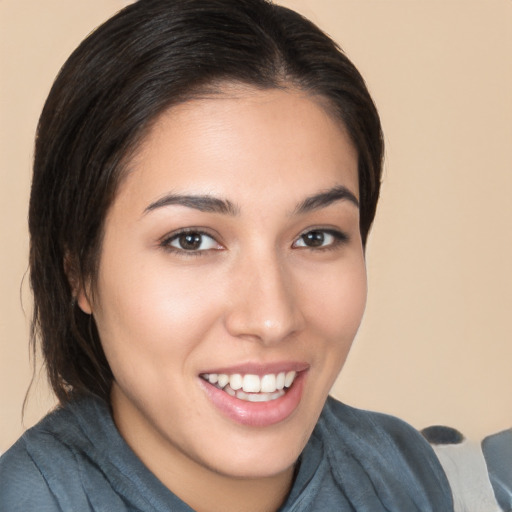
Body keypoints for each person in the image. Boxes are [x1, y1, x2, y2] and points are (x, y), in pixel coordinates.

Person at [0, 0, 454, 510]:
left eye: (316, 236)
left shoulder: (401, 471)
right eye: (191, 239)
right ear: (78, 271)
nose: (272, 318)